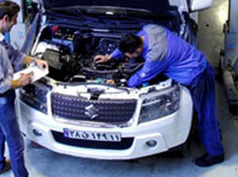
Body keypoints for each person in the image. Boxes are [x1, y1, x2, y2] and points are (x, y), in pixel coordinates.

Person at [94, 24, 225, 167]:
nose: (128, 58)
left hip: (198, 75)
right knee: (206, 110)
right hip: (195, 63)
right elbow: (128, 43)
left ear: (138, 50)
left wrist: (121, 83)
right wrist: (109, 57)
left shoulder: (156, 55)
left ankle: (216, 153)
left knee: (206, 114)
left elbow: (141, 77)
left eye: (129, 56)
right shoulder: (150, 29)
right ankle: (215, 135)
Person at [0, 0, 48, 177]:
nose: (16, 23)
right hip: (0, 98)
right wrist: (21, 82)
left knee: (0, 129)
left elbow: (14, 55)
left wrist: (34, 61)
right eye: (14, 19)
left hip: (0, 99)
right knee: (16, 144)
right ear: (5, 19)